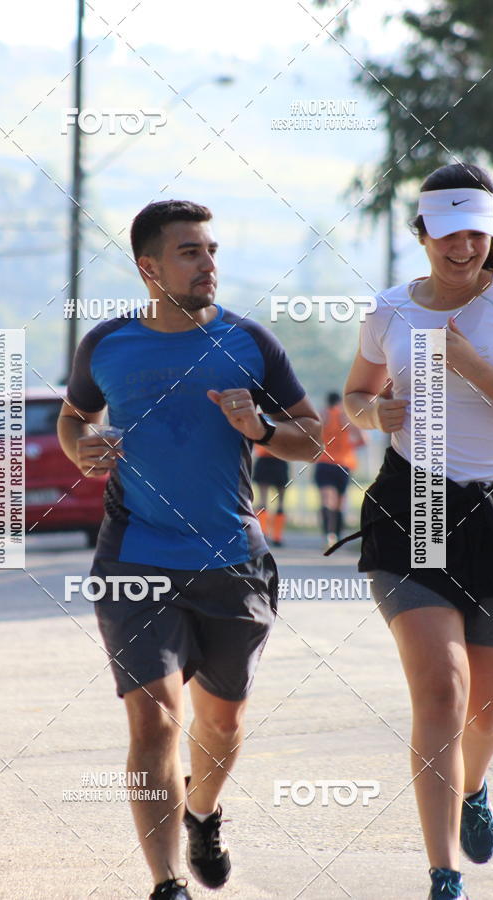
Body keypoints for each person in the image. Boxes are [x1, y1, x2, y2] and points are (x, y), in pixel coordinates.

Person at [57, 200, 323, 900]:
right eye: (190, 252)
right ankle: (166, 883)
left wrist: (260, 427)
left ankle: (202, 813)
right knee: (153, 720)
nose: (208, 264)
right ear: (148, 268)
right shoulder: (107, 345)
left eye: (211, 250)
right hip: (135, 557)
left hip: (232, 559)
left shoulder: (250, 342)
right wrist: (80, 449)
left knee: (223, 718)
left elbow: (313, 435)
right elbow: (73, 416)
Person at [341, 162, 493, 900]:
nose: (463, 248)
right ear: (422, 234)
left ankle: (474, 788)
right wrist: (369, 413)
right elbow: (357, 393)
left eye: (477, 233)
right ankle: (443, 873)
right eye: (448, 235)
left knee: (488, 705)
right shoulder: (388, 309)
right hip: (413, 504)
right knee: (441, 693)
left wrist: (469, 362)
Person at [313, 391, 366, 546]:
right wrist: (349, 448)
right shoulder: (346, 418)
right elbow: (363, 440)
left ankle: (328, 533)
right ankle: (337, 533)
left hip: (324, 462)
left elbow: (310, 437)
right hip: (343, 463)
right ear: (339, 403)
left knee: (326, 499)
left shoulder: (321, 416)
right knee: (340, 501)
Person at [252, 444, 290, 546]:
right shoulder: (285, 427)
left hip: (264, 459)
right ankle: (277, 537)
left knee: (263, 500)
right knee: (280, 502)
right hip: (280, 458)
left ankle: (263, 533)